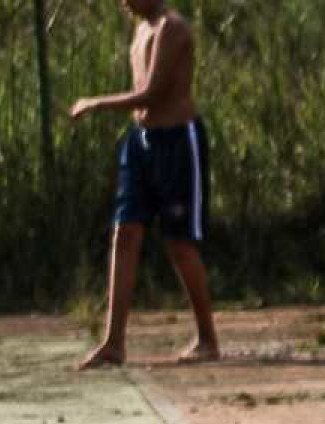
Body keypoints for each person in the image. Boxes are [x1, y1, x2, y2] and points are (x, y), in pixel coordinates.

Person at [71, 0, 218, 369]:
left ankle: (207, 338)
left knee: (179, 243)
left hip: (176, 141)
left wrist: (96, 103)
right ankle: (113, 342)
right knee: (125, 233)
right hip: (140, 142)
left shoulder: (173, 28)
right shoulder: (140, 31)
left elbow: (153, 93)